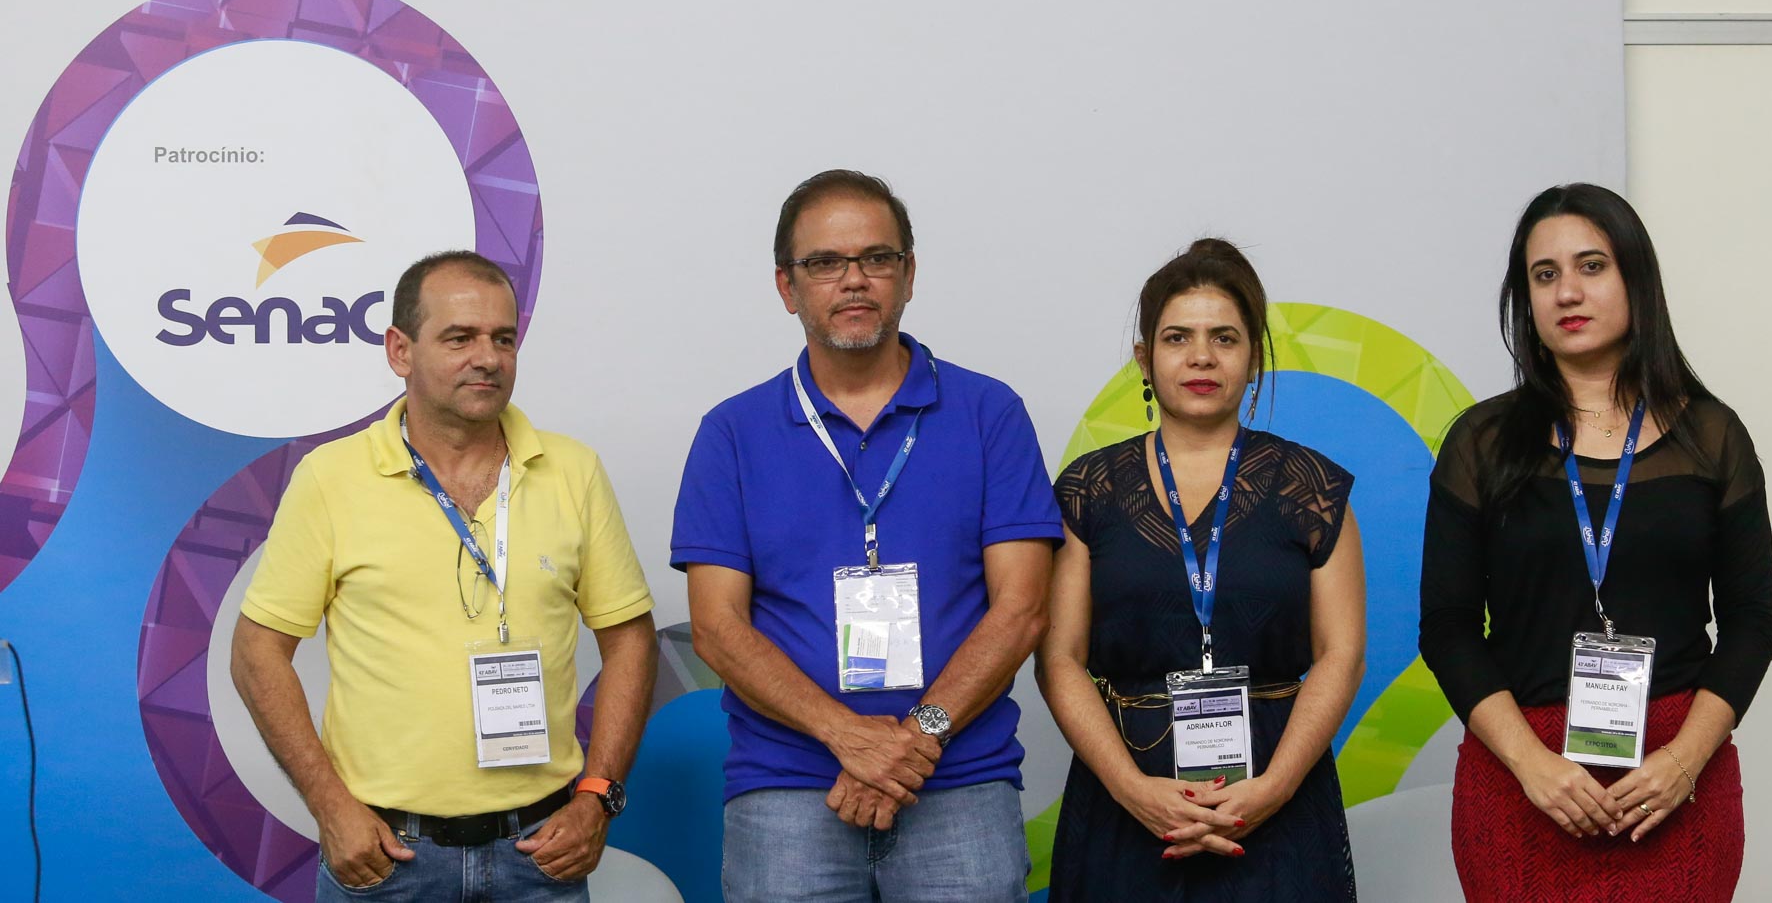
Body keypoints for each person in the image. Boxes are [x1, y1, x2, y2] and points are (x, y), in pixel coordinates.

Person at [671, 169, 1063, 903]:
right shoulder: (732, 433)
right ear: (787, 287)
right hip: (787, 787)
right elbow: (717, 629)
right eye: (825, 262)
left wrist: (917, 738)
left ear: (909, 275)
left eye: (876, 258)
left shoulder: (990, 413)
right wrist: (847, 737)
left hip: (958, 782)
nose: (854, 280)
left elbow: (1022, 610)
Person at [231, 251, 658, 901]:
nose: (487, 358)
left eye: (503, 339)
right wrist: (330, 806)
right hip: (387, 857)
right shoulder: (331, 479)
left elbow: (630, 639)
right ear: (399, 350)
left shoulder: (573, 472)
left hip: (540, 855)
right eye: (459, 338)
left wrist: (598, 795)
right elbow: (256, 651)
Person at [1419, 183, 1772, 902]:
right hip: (1522, 779)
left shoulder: (1712, 437)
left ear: (1635, 280)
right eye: (1544, 275)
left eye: (1592, 266)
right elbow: (1448, 629)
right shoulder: (1481, 442)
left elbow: (1752, 623)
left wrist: (1683, 762)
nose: (1567, 293)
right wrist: (1532, 765)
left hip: (1673, 783)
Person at [1037, 238, 1365, 901]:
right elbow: (1058, 659)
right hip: (1127, 793)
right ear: (1145, 358)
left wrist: (1273, 789)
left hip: (1276, 789)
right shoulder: (1088, 489)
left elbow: (1343, 654)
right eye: (1177, 337)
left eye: (1225, 338)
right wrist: (1132, 790)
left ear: (1254, 358)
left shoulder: (1312, 487)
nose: (1202, 357)